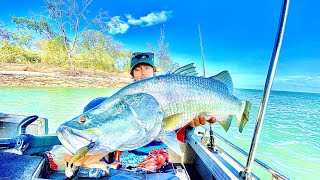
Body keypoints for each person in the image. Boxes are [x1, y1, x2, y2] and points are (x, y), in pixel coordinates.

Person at [65, 52, 216, 167]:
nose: (142, 72)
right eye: (137, 69)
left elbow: (182, 135)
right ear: (132, 75)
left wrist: (190, 125)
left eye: (147, 68)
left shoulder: (173, 95)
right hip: (126, 170)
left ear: (153, 72)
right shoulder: (120, 104)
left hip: (162, 170)